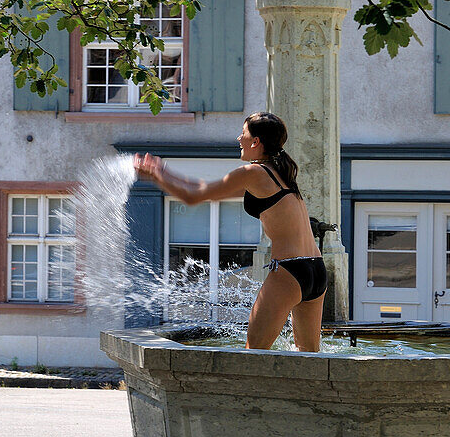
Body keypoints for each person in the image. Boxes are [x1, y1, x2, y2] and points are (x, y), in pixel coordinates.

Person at [133, 112, 327, 351]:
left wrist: (157, 177)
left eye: (243, 134)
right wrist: (164, 172)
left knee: (253, 353)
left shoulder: (253, 173)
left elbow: (194, 196)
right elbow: (202, 188)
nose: (238, 138)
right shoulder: (280, 174)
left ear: (255, 142)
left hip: (290, 271)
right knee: (309, 357)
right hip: (316, 269)